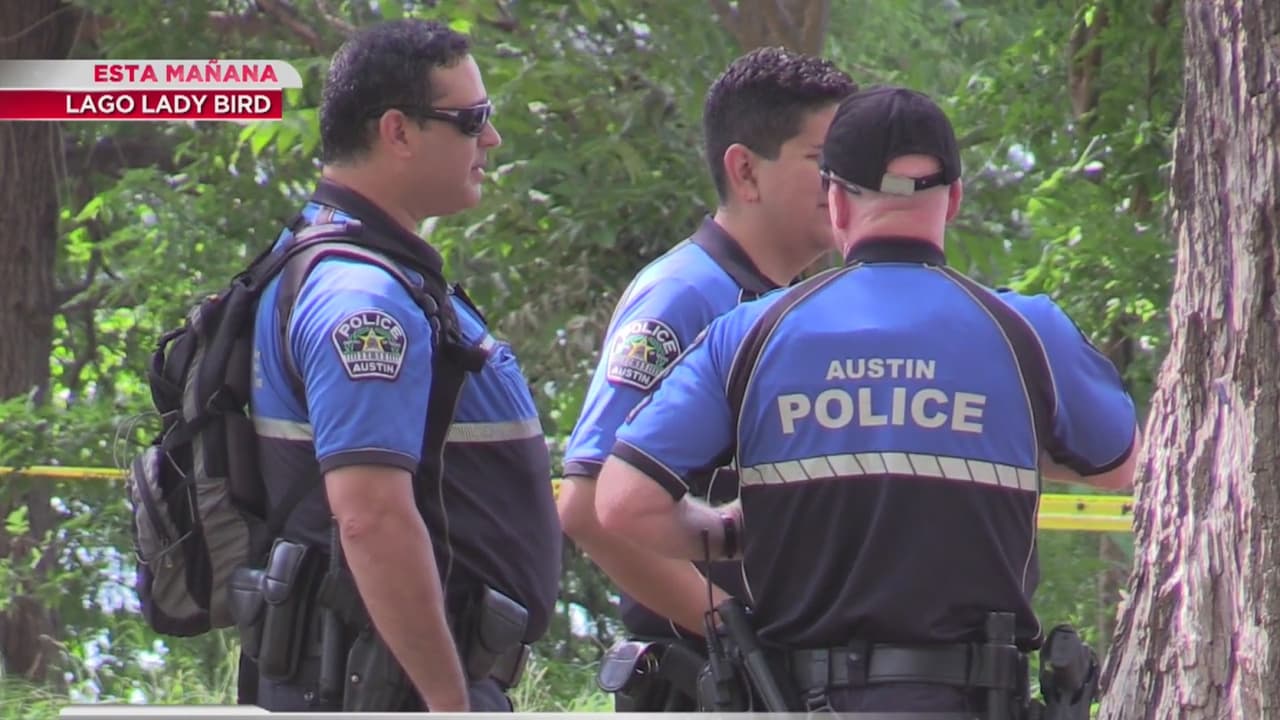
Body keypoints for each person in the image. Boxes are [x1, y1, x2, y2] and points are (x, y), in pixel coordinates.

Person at [594, 85, 1141, 715]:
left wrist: (725, 532)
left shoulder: (749, 335)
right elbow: (1127, 468)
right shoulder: (1027, 332)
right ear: (954, 199)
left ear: (835, 199)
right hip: (971, 701)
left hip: (800, 699)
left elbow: (621, 503)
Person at [245, 19, 561, 712]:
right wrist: (451, 705)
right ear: (398, 131)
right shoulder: (365, 302)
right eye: (472, 119)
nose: (491, 140)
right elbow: (371, 518)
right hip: (387, 691)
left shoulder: (335, 262)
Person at [557, 47, 856, 711]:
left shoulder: (788, 306)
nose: (847, 181)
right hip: (703, 684)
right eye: (823, 161)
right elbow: (586, 507)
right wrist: (736, 635)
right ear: (745, 170)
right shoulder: (686, 296)